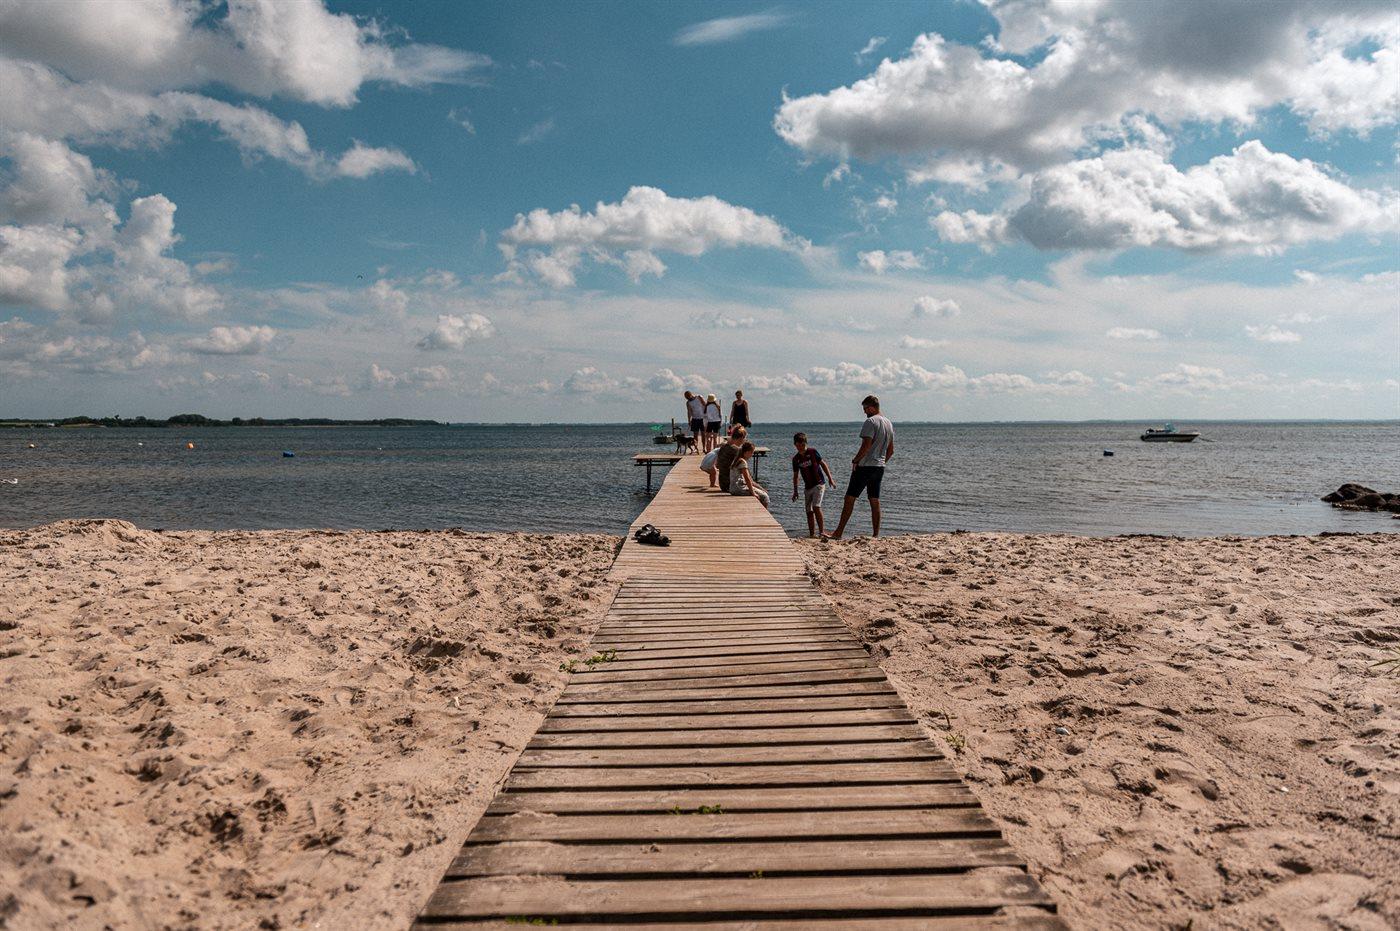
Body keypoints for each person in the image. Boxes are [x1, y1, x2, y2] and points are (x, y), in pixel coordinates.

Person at [824, 395, 894, 540]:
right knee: (874, 500)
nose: (864, 411)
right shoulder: (888, 423)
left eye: (865, 408)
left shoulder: (870, 421)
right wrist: (882, 462)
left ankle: (838, 533)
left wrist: (855, 460)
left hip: (865, 466)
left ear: (872, 407)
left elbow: (866, 445)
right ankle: (875, 535)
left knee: (849, 498)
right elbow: (891, 450)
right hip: (879, 467)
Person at [791, 432, 836, 538]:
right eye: (798, 445)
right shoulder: (796, 459)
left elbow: (823, 464)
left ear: (806, 443)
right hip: (808, 487)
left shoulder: (812, 452)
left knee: (816, 506)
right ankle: (812, 534)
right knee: (809, 511)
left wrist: (830, 479)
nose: (801, 447)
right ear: (795, 445)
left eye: (803, 444)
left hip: (819, 484)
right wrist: (795, 491)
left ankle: (821, 532)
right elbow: (796, 476)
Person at [730, 441, 769, 508]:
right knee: (765, 497)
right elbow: (747, 479)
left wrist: (761, 488)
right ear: (746, 452)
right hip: (739, 489)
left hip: (733, 488)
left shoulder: (737, 460)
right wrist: (753, 492)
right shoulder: (742, 462)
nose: (752, 455)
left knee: (763, 493)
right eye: (752, 452)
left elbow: (751, 481)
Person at [715, 425, 746, 492]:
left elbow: (717, 465)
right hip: (732, 485)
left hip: (723, 485)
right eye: (744, 439)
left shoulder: (723, 447)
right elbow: (744, 472)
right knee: (763, 495)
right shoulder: (737, 450)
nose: (744, 441)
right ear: (741, 438)